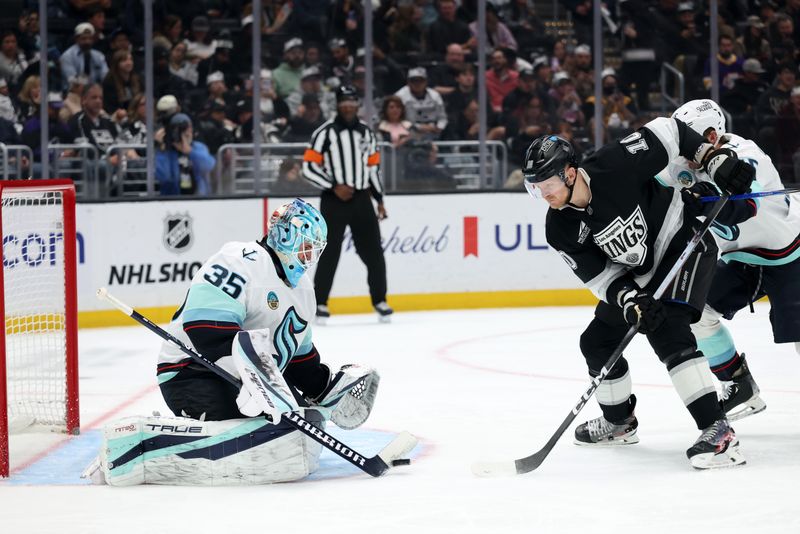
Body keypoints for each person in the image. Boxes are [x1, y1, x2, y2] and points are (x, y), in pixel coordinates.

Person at [521, 114, 756, 469]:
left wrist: (711, 157)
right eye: (535, 186)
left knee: (670, 330)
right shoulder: (560, 228)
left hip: (683, 242)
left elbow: (671, 130)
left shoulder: (614, 164)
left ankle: (718, 431)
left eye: (546, 183)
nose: (542, 192)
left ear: (569, 173)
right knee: (597, 342)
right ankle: (619, 423)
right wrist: (630, 299)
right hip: (641, 274)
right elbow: (601, 276)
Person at [91, 199, 380, 485]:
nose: (309, 255)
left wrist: (324, 387)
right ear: (286, 234)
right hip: (193, 373)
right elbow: (204, 328)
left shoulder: (304, 291)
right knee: (265, 431)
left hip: (255, 382)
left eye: (314, 249)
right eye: (306, 244)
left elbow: (298, 360)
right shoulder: (239, 259)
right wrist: (253, 380)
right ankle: (141, 442)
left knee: (301, 423)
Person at [660, 99, 800, 420]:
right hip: (744, 259)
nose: (683, 153)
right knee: (696, 315)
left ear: (711, 137)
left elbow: (742, 207)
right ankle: (740, 385)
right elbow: (648, 185)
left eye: (689, 143)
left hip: (792, 253)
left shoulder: (745, 154)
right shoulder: (684, 163)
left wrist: (697, 205)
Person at [302, 85, 393, 323]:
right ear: (338, 105)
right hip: (334, 200)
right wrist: (334, 186)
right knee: (330, 251)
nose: (348, 105)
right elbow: (308, 167)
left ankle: (380, 300)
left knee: (373, 251)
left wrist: (380, 199)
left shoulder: (367, 133)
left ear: (357, 105)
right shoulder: (325, 133)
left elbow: (373, 168)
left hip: (362, 198)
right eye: (344, 101)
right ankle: (320, 302)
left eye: (352, 101)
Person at [155, 113, 215, 196]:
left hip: (199, 199)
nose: (186, 132)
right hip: (173, 201)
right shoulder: (166, 152)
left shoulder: (199, 147)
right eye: (180, 129)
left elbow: (209, 166)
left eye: (188, 127)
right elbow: (164, 177)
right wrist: (162, 149)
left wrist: (190, 152)